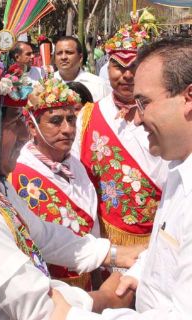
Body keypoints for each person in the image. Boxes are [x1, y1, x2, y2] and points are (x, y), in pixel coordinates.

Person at [0, 49, 144, 319]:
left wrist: (112, 254)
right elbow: (41, 310)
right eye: (14, 124)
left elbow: (38, 233)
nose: (23, 136)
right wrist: (105, 299)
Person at [51, 35, 192, 320]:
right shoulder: (180, 165)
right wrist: (142, 271)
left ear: (189, 98)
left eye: (144, 102)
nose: (136, 118)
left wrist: (73, 316)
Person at [72, 25, 169, 248]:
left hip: (159, 236)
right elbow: (78, 176)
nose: (126, 75)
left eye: (134, 66)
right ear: (107, 67)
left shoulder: (164, 113)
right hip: (104, 238)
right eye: (117, 66)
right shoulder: (88, 115)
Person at [10, 77, 98, 289]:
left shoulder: (75, 165)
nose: (68, 129)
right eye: (56, 121)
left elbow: (92, 228)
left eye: (71, 119)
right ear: (31, 127)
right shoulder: (16, 173)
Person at [54, 36, 111, 102]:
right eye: (59, 53)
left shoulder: (99, 85)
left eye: (69, 52)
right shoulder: (43, 86)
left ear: (80, 57)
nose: (63, 57)